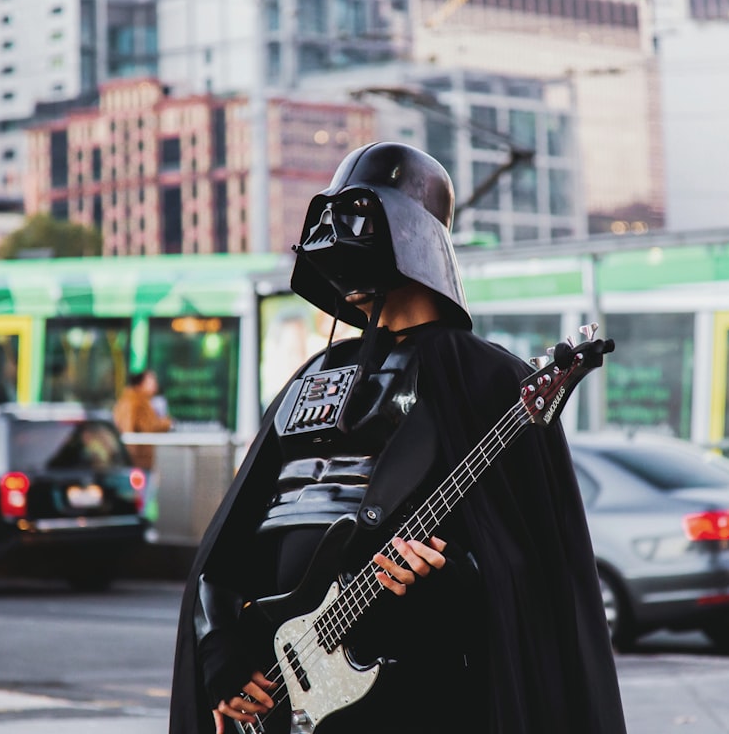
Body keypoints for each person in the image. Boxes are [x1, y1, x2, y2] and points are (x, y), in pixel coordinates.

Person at [169, 142, 626, 734]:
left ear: (411, 234)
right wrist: (221, 653)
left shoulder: (490, 380)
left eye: (360, 216)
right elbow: (229, 544)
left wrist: (450, 583)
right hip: (282, 690)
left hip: (415, 698)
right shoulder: (311, 375)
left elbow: (531, 572)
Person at [112, 369, 173, 471]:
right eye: (151, 382)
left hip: (130, 455)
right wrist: (167, 423)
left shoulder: (128, 398)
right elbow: (150, 426)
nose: (155, 385)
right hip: (137, 456)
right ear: (140, 384)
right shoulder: (138, 401)